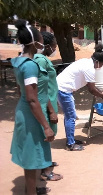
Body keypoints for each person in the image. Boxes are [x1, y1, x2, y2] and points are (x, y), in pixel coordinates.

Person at [10, 19, 54, 195]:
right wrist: (46, 126)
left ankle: (32, 189)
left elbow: (20, 92)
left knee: (31, 154)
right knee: (31, 157)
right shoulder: (30, 67)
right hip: (30, 115)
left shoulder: (19, 61)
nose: (43, 43)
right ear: (35, 42)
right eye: (41, 40)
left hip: (24, 112)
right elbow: (32, 99)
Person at [57, 43, 103, 151]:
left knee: (70, 116)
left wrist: (101, 93)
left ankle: (70, 139)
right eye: (102, 65)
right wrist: (102, 95)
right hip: (63, 90)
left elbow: (91, 86)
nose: (100, 67)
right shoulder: (89, 68)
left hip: (61, 87)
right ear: (98, 62)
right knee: (71, 117)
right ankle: (70, 144)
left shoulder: (85, 61)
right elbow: (91, 89)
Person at [34, 31, 63, 181]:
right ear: (47, 46)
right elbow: (41, 88)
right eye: (54, 45)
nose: (55, 48)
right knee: (45, 134)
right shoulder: (40, 60)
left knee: (49, 134)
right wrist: (51, 110)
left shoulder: (43, 59)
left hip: (49, 101)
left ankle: (46, 162)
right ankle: (45, 170)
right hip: (45, 105)